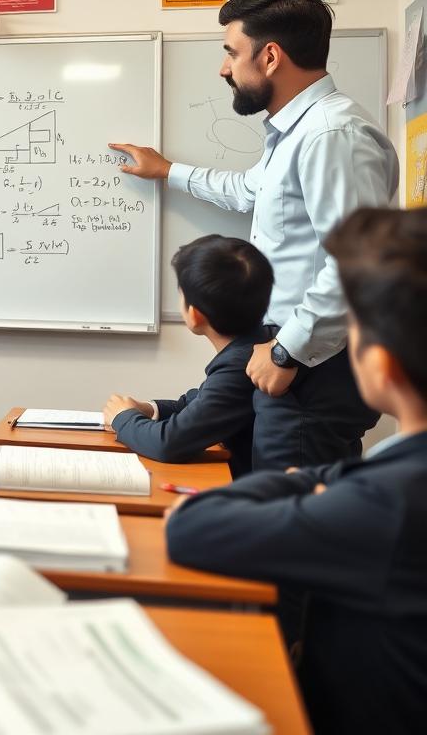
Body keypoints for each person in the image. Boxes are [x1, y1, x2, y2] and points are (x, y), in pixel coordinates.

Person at [112, 0, 398, 469]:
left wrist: (286, 352)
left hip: (310, 368)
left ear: (269, 57)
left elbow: (359, 264)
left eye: (231, 52)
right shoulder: (297, 130)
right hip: (297, 362)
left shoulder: (332, 135)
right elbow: (249, 191)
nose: (224, 68)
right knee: (278, 505)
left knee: (294, 526)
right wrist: (168, 171)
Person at [166, 206, 427, 735]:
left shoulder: (389, 498)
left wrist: (304, 481)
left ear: (379, 366)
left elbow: (191, 526)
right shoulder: (386, 485)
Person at [103, 235, 272, 477]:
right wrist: (151, 409)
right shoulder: (257, 344)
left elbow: (169, 444)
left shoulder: (241, 367)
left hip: (258, 498)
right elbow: (196, 403)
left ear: (194, 315)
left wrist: (124, 418)